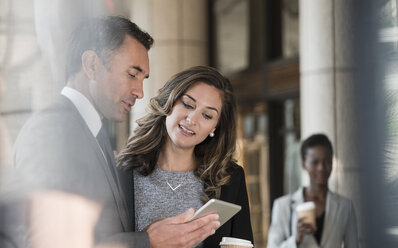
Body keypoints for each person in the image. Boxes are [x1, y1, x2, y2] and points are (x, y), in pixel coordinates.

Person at [13, 16, 219, 248]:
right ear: (91, 64)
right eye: (132, 74)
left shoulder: (94, 133)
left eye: (143, 79)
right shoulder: (52, 133)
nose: (140, 92)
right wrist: (147, 241)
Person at [116, 65, 254, 247]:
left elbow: (243, 242)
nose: (192, 120)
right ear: (169, 102)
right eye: (188, 104)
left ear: (215, 127)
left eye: (207, 115)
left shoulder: (229, 179)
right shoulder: (122, 173)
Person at [267, 134, 358, 248]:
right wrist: (296, 239)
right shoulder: (283, 206)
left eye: (327, 161)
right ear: (304, 164)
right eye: (315, 162)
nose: (321, 167)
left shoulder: (345, 206)